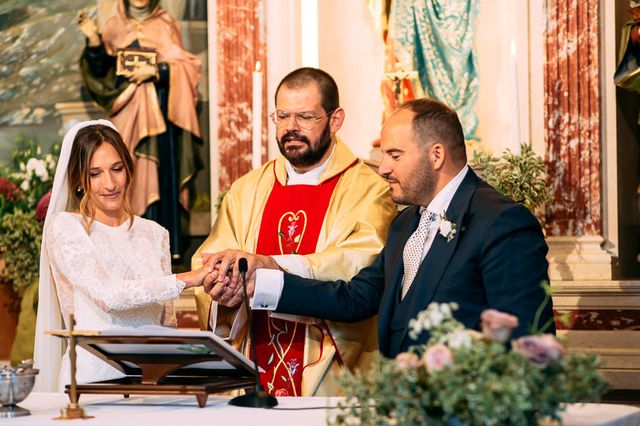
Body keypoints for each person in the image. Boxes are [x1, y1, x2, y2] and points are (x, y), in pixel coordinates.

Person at [245, 98, 554, 358]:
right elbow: (357, 297)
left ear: (436, 155)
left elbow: (524, 340)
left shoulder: (501, 223)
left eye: (394, 155)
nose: (383, 168)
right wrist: (261, 283)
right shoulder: (405, 223)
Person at [193, 68, 397, 396]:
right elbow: (212, 263)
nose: (291, 128)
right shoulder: (247, 190)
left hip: (326, 376)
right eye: (283, 115)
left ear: (335, 119)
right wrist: (224, 290)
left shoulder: (369, 190)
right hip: (254, 365)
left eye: (305, 116)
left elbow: (360, 268)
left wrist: (271, 266)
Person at [33, 120, 211, 392]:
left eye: (117, 169)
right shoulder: (66, 227)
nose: (110, 183)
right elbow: (109, 296)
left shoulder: (155, 233)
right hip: (92, 381)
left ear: (128, 168)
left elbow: (166, 320)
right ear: (79, 179)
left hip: (149, 381)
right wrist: (189, 278)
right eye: (95, 173)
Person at [77, 0, 202, 261]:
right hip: (126, 114)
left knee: (160, 176)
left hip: (161, 122)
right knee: (122, 172)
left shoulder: (165, 23)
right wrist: (94, 40)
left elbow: (188, 68)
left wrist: (156, 71)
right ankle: (125, 250)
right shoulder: (114, 26)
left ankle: (162, 251)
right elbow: (101, 72)